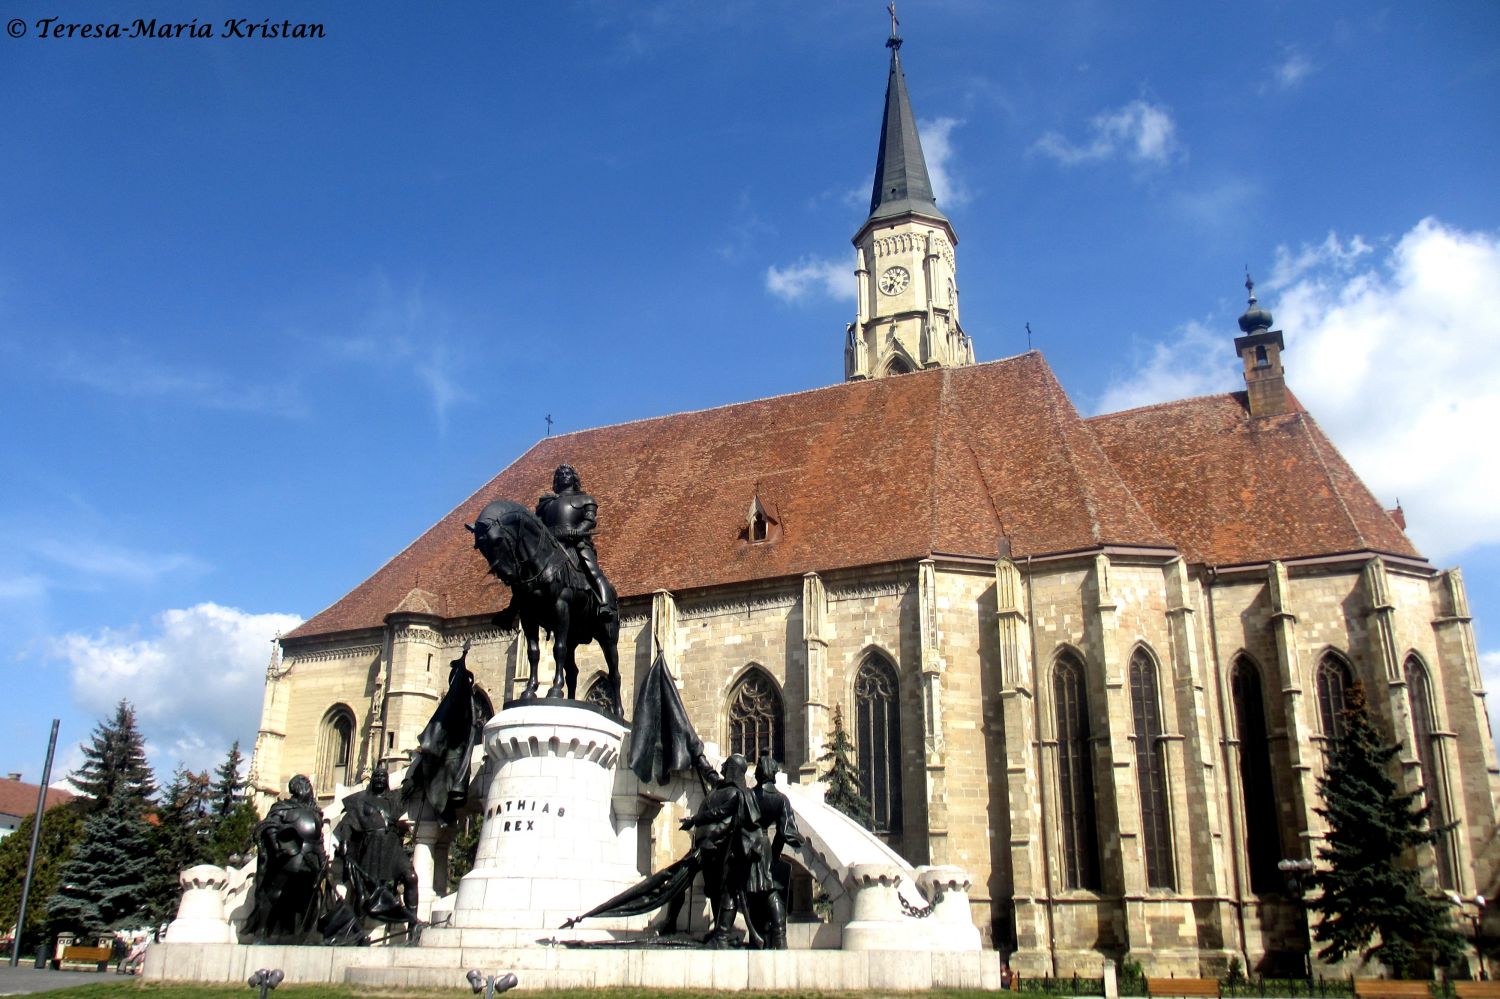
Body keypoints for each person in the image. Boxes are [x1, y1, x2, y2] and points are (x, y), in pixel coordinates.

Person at [678, 753, 769, 947]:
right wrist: (698, 755)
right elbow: (710, 774)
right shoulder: (720, 787)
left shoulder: (739, 794)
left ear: (734, 769)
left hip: (729, 850)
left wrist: (695, 820)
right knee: (714, 891)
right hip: (710, 850)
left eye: (726, 766)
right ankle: (720, 932)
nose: (722, 769)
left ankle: (722, 936)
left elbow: (721, 813)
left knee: (729, 891)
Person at [334, 766, 421, 934]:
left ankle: (413, 925)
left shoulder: (394, 798)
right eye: (377, 776)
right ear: (372, 780)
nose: (380, 778)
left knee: (411, 877)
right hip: (372, 848)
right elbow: (348, 824)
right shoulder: (361, 801)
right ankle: (356, 932)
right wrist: (344, 842)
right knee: (364, 893)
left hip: (392, 846)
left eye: (383, 776)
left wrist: (423, 760)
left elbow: (412, 785)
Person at [244, 774, 327, 941]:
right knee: (274, 893)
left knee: (308, 896)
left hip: (311, 859)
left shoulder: (314, 811)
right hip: (290, 855)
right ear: (296, 788)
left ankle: (300, 933)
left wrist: (322, 858)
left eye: (308, 785)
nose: (308, 789)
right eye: (304, 785)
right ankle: (261, 931)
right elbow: (269, 826)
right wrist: (277, 846)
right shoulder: (283, 807)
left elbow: (319, 838)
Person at [536, 464, 616, 619]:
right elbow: (538, 524)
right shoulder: (546, 503)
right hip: (551, 544)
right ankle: (514, 608)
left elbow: (590, 520)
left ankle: (605, 604)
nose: (563, 475)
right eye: (559, 474)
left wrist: (578, 530)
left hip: (575, 542)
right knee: (528, 570)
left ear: (574, 478)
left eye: (567, 473)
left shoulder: (585, 499)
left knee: (592, 570)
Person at [747, 753, 805, 949]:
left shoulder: (749, 796)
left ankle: (762, 937)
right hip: (766, 847)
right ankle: (779, 935)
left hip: (750, 846)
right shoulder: (781, 800)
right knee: (769, 888)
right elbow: (786, 831)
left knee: (756, 891)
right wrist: (775, 853)